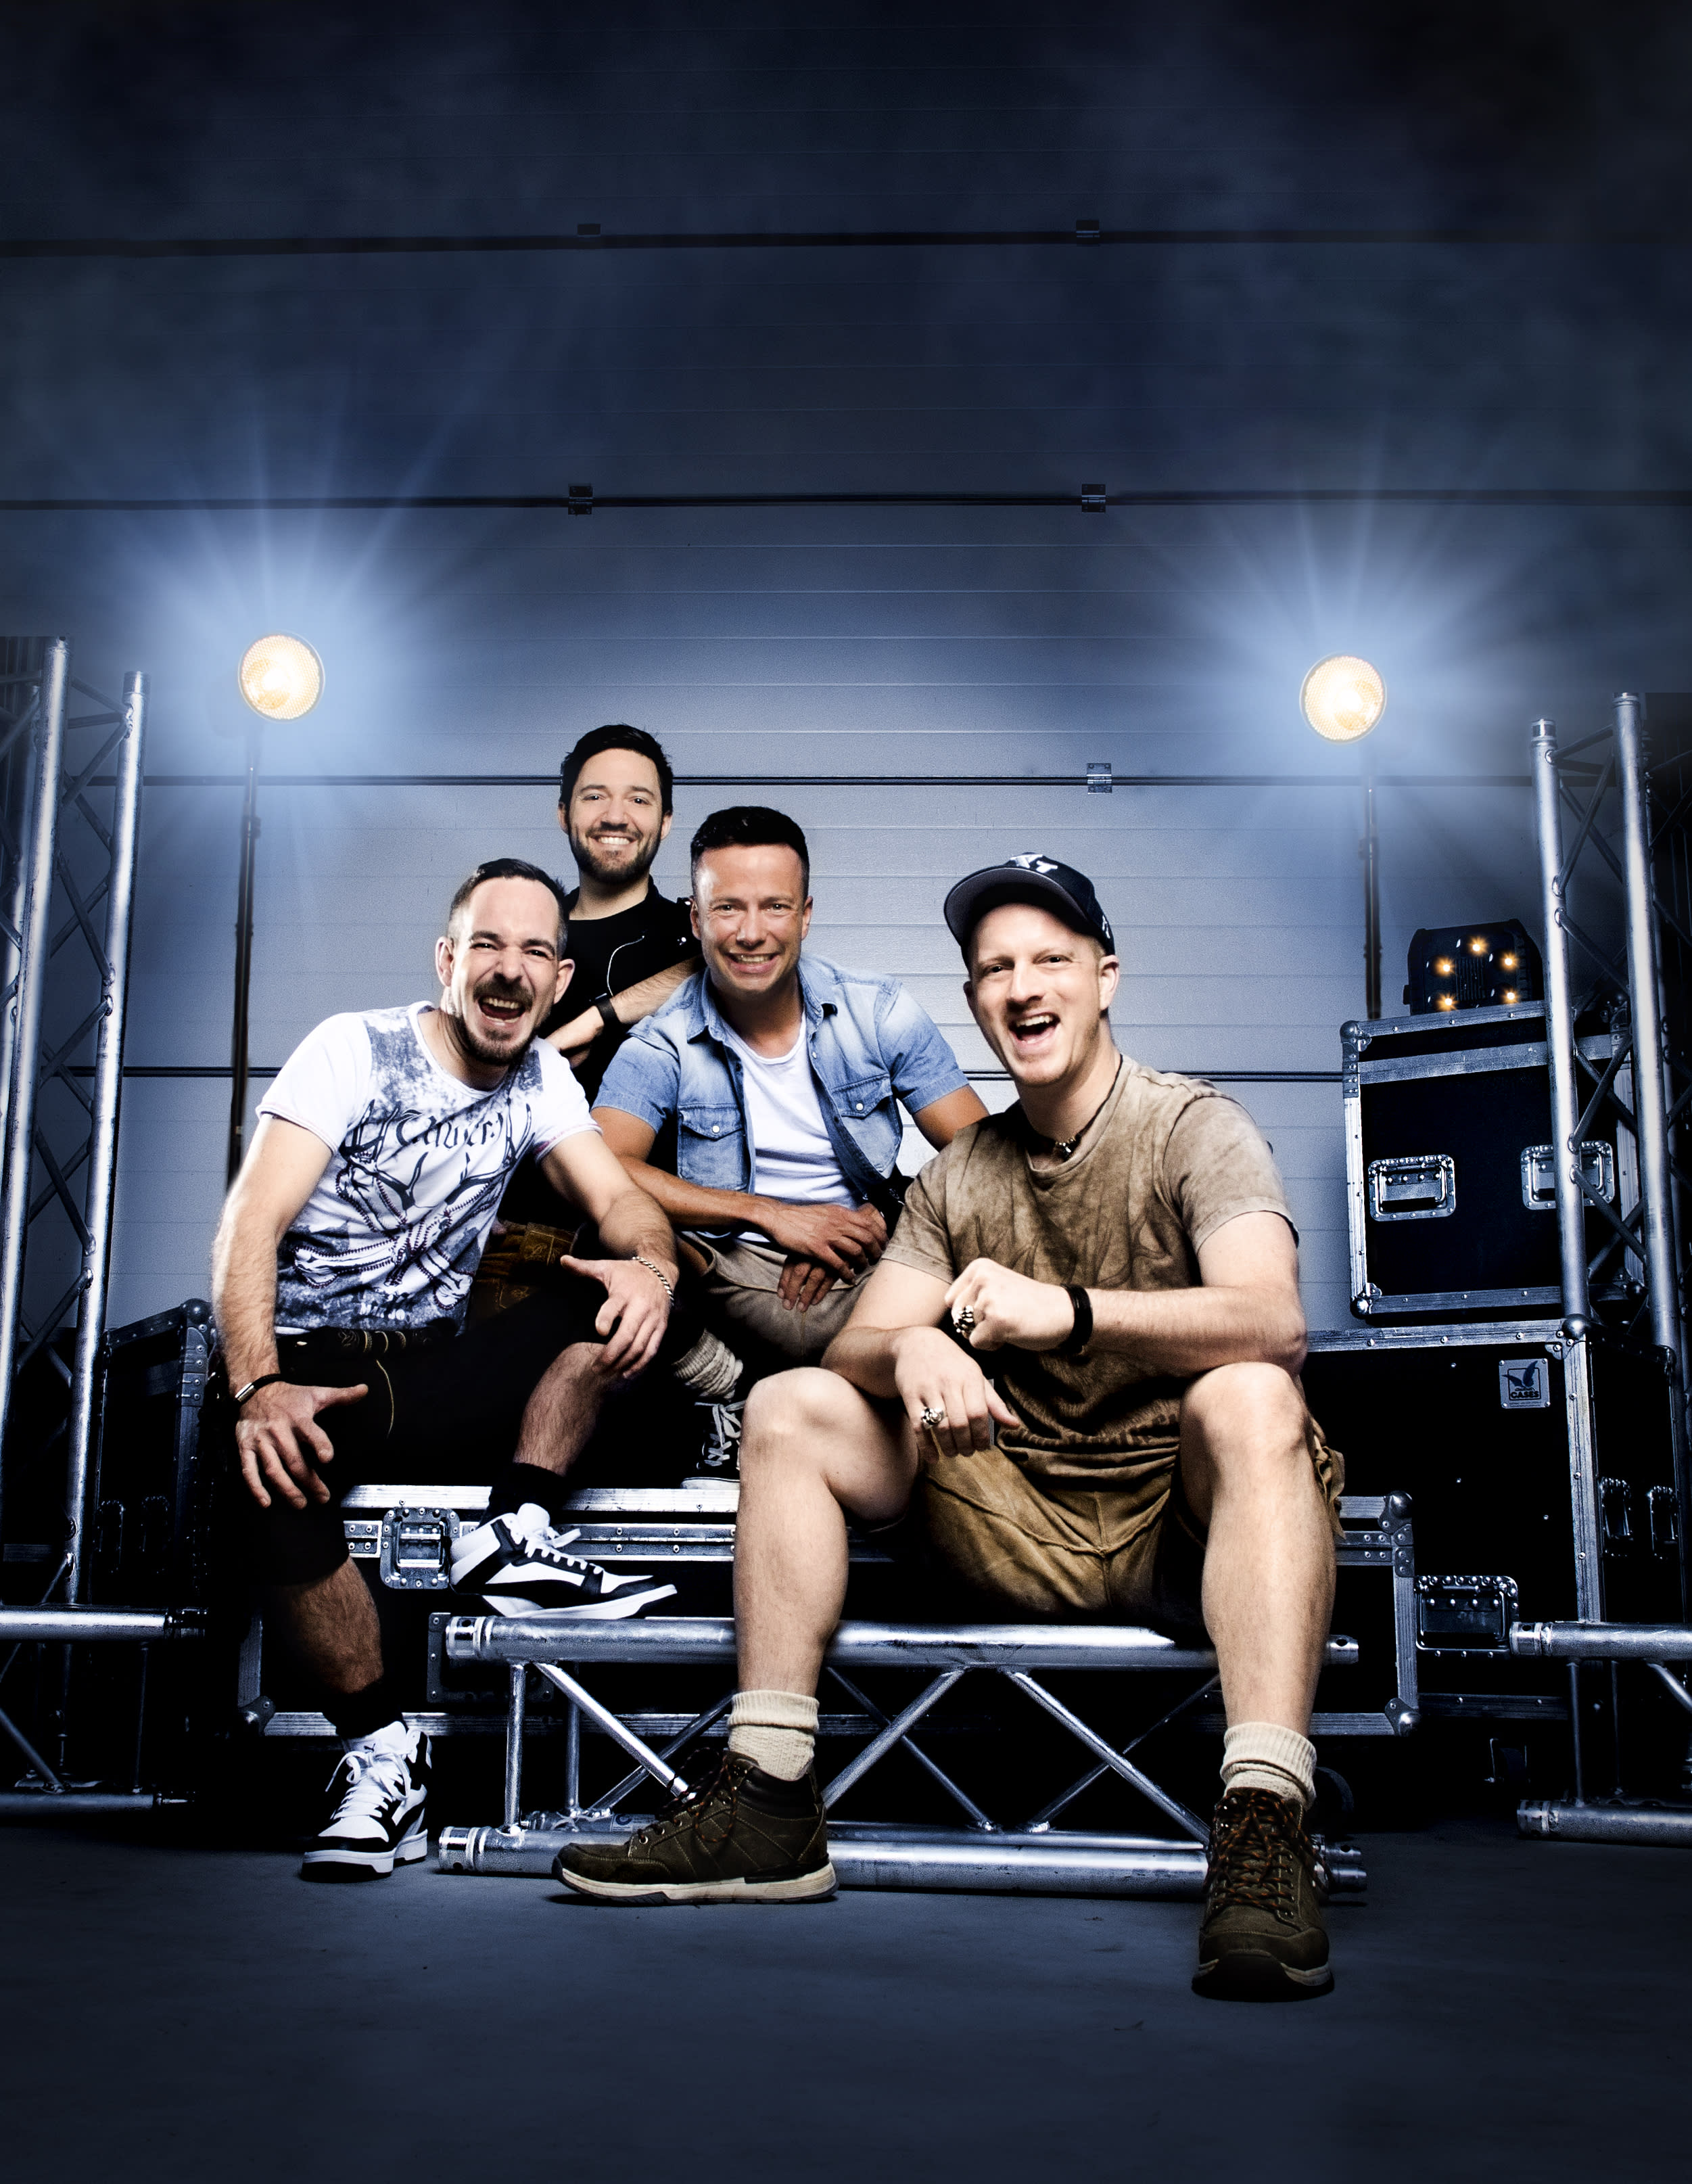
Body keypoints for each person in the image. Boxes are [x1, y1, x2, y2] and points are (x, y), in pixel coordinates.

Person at [557, 852, 1346, 2006]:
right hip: (1008, 1504)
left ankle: (1265, 1821)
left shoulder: (1193, 1126)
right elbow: (856, 1348)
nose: (1022, 988)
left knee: (1253, 1394)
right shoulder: (957, 1174)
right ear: (973, 999)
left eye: (1049, 961)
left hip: (1174, 1525)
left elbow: (1273, 1322)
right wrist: (910, 1348)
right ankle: (767, 1798)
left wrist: (1067, 1310)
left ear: (1104, 976)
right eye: (994, 969)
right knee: (791, 1402)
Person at [212, 858, 682, 1883]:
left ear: (560, 979)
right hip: (319, 1366)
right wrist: (256, 1386)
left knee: (610, 1298)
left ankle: (515, 1531)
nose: (510, 970)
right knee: (265, 1463)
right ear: (447, 960)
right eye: (487, 946)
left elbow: (622, 1202)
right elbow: (251, 1221)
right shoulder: (354, 1048)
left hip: (437, 1369)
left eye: (534, 951)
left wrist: (651, 1269)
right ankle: (383, 1752)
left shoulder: (543, 1078)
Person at [590, 805, 987, 1469]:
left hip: (873, 1265)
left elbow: (983, 1156)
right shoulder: (663, 1040)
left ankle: (877, 1412)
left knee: (999, 1230)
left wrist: (886, 1221)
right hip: (730, 1274)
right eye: (728, 908)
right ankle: (728, 1390)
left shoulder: (876, 1010)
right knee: (609, 1248)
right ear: (696, 919)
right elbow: (601, 1163)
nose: (751, 933)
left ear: (805, 915)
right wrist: (771, 1215)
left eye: (774, 907)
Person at [476, 724, 701, 1311]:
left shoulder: (697, 933)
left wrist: (594, 1020)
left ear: (666, 821)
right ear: (563, 813)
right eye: (595, 795)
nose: (615, 815)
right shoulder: (521, 941)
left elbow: (734, 962)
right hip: (522, 1236)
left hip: (670, 1235)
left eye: (638, 799)